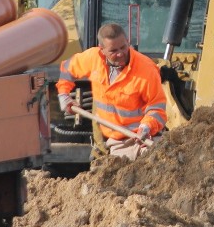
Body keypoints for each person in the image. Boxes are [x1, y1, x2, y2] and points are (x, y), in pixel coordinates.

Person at [56, 23, 166, 160]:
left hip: (136, 138)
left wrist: (147, 126)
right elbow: (67, 68)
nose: (120, 53)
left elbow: (157, 107)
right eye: (113, 51)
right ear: (102, 50)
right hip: (107, 138)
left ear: (128, 42)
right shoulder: (93, 58)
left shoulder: (146, 69)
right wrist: (63, 94)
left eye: (123, 47)